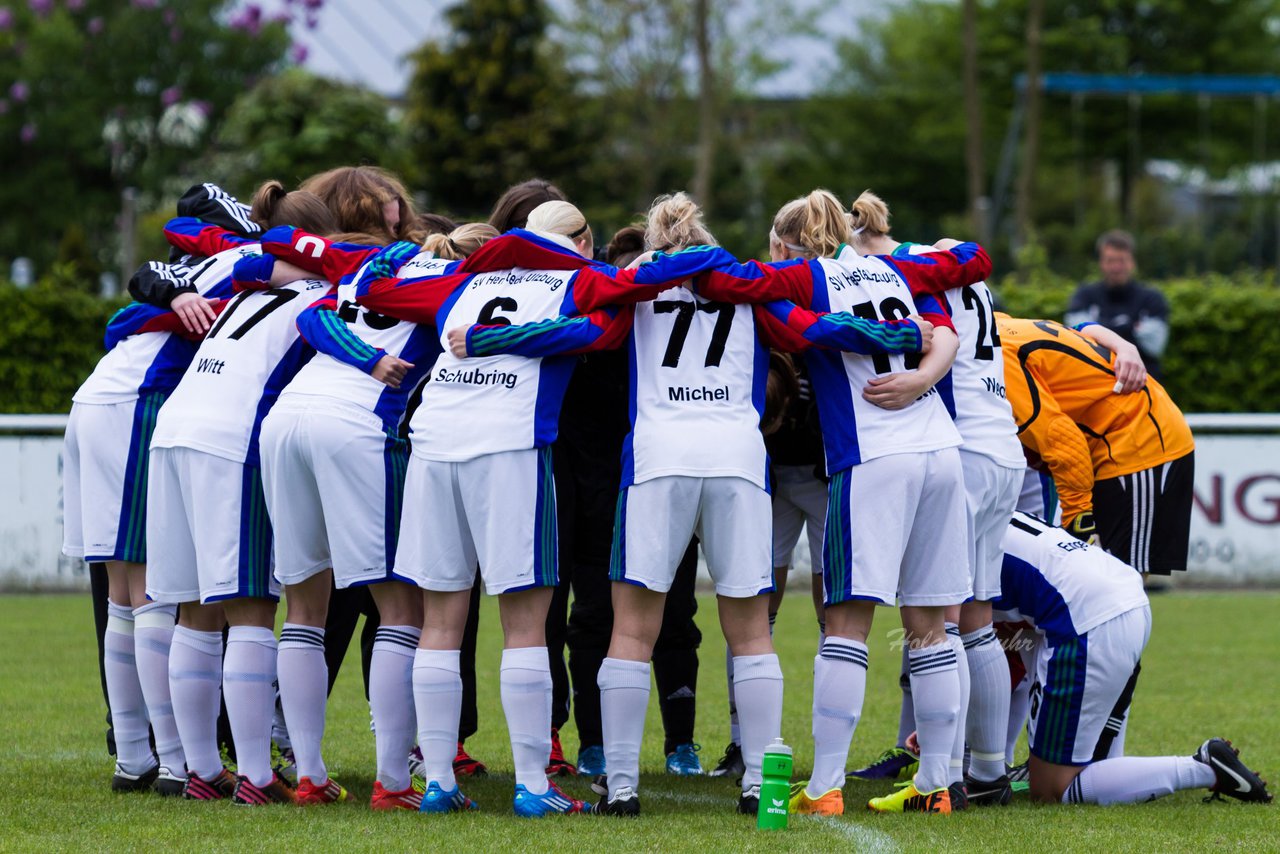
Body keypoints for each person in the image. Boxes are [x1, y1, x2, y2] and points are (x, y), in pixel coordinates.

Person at [450, 193, 924, 816]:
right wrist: (908, 334)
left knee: (630, 629)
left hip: (657, 461)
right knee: (752, 632)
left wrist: (485, 338)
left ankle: (620, 784)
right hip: (736, 459)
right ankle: (758, 778)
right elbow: (813, 330)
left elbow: (578, 331)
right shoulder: (748, 284)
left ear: (653, 237)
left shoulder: (632, 284)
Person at [349, 199, 735, 816]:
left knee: (441, 623)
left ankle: (440, 783)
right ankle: (532, 784)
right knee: (526, 623)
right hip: (511, 450)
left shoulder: (465, 280)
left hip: (433, 445)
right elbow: (633, 297)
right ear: (581, 241)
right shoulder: (582, 279)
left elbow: (378, 295)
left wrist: (401, 257)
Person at [687, 189, 992, 815]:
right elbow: (946, 320)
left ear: (781, 243)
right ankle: (939, 784)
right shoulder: (891, 268)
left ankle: (825, 786)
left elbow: (733, 286)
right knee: (932, 625)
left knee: (847, 623)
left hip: (874, 456)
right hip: (941, 449)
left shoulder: (797, 275)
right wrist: (922, 376)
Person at [251, 222, 499, 809]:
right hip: (361, 425)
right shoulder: (464, 285)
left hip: (286, 420)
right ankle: (391, 781)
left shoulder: (376, 267)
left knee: (304, 608)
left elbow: (312, 318)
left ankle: (310, 774)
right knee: (402, 607)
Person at [143, 188, 338, 805]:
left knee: (194, 611)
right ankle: (255, 774)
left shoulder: (245, 280)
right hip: (232, 441)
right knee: (251, 608)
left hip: (173, 431)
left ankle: (201, 768)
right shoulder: (325, 292)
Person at [62, 189, 258, 794]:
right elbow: (145, 282)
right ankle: (175, 762)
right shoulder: (240, 260)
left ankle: (134, 756)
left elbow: (135, 293)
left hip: (99, 398)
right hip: (137, 402)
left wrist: (171, 291)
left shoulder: (191, 266)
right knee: (147, 591)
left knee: (124, 592)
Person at [841, 191, 1025, 808]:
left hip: (964, 447)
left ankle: (941, 776)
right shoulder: (943, 256)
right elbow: (975, 259)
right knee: (975, 618)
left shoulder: (900, 268)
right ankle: (986, 771)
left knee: (938, 624)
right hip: (1002, 445)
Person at [989, 511, 1271, 806]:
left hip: (1085, 620)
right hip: (1121, 595)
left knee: (1049, 790)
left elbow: (968, 642)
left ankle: (1202, 768)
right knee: (1093, 769)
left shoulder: (954, 539)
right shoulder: (982, 509)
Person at [997, 314, 1196, 575]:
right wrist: (1124, 345)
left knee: (1123, 580)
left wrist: (1077, 521)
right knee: (1106, 582)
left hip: (1138, 443)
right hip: (1117, 442)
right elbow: (1079, 329)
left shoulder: (996, 354)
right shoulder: (996, 325)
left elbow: (1062, 439)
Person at [1065, 230, 1170, 379]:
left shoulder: (1152, 298)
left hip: (1144, 384)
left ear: (1133, 262)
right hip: (1094, 383)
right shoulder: (1084, 295)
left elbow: (1154, 346)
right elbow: (1075, 338)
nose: (1116, 267)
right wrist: (1129, 328)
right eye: (1110, 260)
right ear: (1101, 262)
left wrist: (1099, 329)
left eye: (1121, 260)